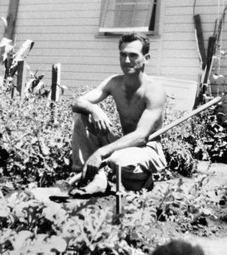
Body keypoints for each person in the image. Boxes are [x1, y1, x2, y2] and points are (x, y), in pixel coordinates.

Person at [69, 32, 167, 196]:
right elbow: (77, 103)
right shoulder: (114, 82)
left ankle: (144, 182)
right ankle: (96, 178)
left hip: (147, 148)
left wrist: (100, 152)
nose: (127, 61)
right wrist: (94, 109)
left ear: (146, 58)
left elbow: (141, 136)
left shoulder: (154, 90)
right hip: (123, 143)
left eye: (133, 55)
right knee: (82, 116)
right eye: (123, 55)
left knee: (117, 160)